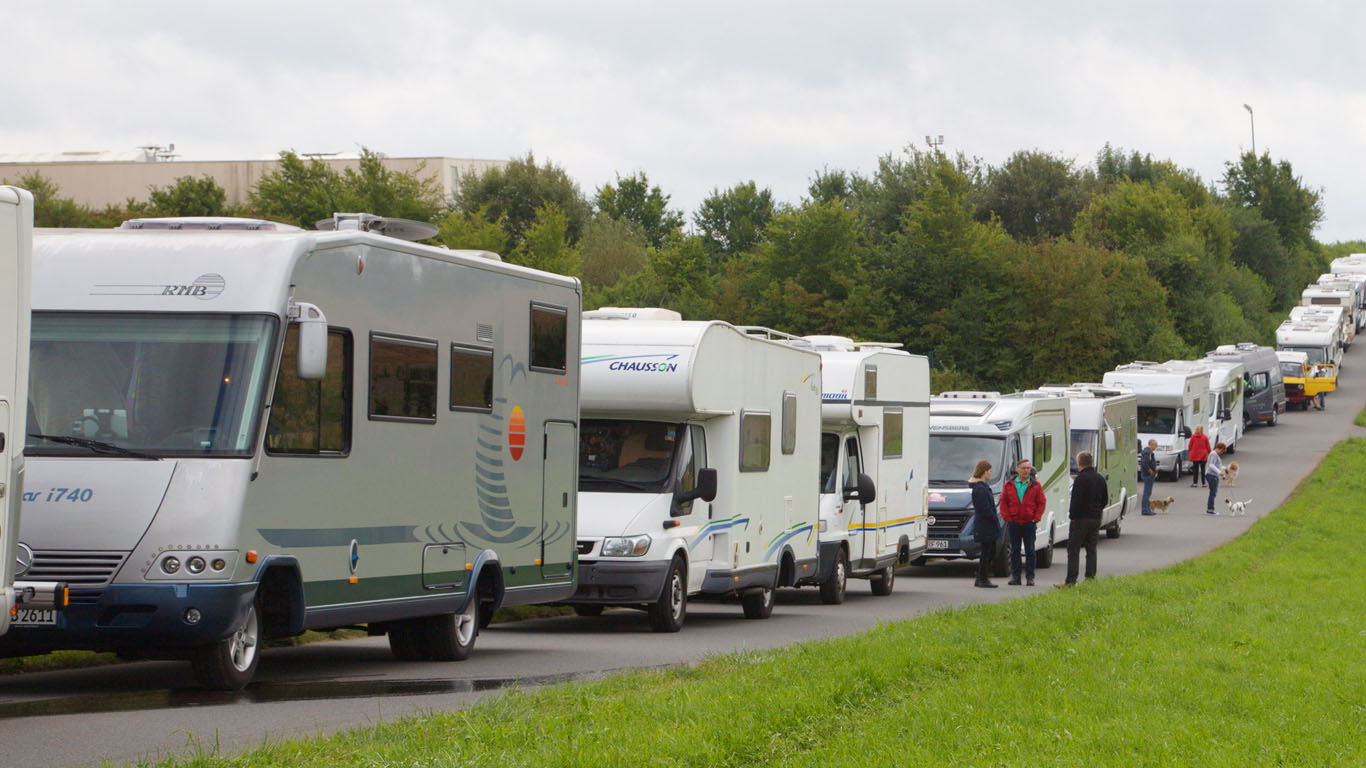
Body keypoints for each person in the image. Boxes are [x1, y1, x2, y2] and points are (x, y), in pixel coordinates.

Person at [999, 458, 1045, 586]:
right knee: (1015, 550)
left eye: (1028, 468)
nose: (1026, 471)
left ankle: (1030, 577)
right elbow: (1003, 502)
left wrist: (1036, 518)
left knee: (1030, 550)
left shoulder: (1035, 485)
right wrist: (1007, 518)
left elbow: (1041, 502)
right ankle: (1016, 577)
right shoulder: (1009, 485)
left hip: (1029, 523)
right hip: (1014, 522)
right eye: (1023, 468)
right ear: (1018, 470)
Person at [1065, 450, 1108, 585]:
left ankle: (1071, 580)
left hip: (1080, 519)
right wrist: (1097, 510)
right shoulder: (1100, 478)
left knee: (1074, 549)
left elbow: (1076, 501)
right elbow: (1105, 499)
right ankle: (1090, 578)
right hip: (1095, 518)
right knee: (1091, 549)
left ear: (1079, 463)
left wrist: (1072, 516)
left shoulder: (1080, 479)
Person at [968, 459, 1000, 588]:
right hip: (985, 524)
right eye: (990, 471)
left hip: (987, 523)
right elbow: (984, 508)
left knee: (990, 550)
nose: (990, 474)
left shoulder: (983, 486)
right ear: (984, 472)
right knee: (987, 551)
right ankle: (983, 578)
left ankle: (980, 576)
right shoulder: (980, 488)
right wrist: (993, 517)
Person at [1205, 441, 1228, 515]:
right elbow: (1211, 465)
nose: (1222, 453)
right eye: (1222, 451)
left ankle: (1210, 508)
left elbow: (1215, 465)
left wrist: (1222, 470)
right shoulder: (1214, 454)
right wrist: (1219, 472)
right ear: (1219, 449)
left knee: (1213, 492)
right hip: (1212, 475)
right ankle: (1210, 509)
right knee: (1213, 493)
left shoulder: (1214, 454)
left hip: (1212, 475)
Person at [1140, 439, 1159, 515]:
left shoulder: (1149, 452)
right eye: (1155, 445)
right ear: (1151, 444)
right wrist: (1150, 471)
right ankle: (1145, 510)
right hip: (1148, 475)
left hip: (1150, 474)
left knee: (1148, 492)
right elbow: (1145, 463)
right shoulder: (1147, 453)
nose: (1156, 447)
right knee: (1146, 493)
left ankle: (1147, 509)